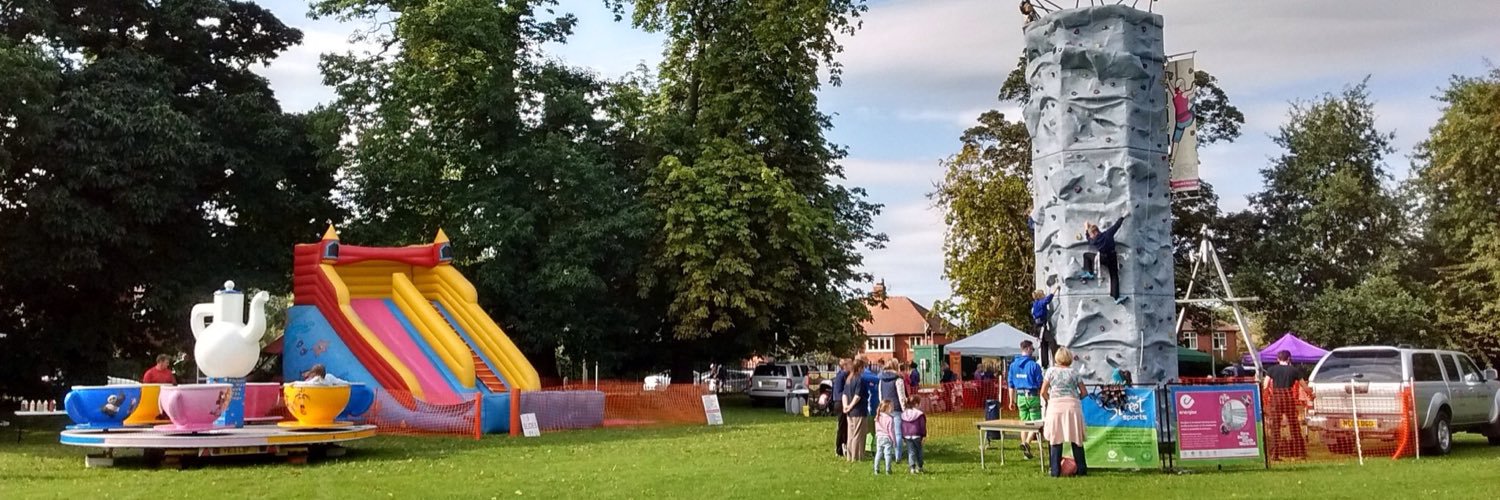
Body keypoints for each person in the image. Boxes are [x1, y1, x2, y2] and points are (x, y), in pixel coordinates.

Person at [1041, 347, 1089, 477]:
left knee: (1056, 439)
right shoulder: (1074, 373)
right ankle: (1081, 470)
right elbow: (1084, 392)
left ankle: (1055, 471)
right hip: (1073, 407)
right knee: (1076, 440)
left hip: (1056, 407)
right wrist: (1075, 398)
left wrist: (1050, 400)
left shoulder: (1050, 371)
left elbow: (1043, 391)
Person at [1262, 350, 1307, 460]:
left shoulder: (1271, 369)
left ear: (1278, 359)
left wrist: (1266, 399)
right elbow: (1304, 386)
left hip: (1276, 398)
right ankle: (1301, 453)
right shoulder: (1294, 370)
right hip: (1288, 397)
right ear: (1289, 359)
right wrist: (1311, 394)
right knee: (1294, 425)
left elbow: (1265, 385)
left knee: (1275, 427)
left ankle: (1274, 454)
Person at [1007, 340, 1044, 460]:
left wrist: (1011, 401)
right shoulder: (1034, 365)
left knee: (1024, 423)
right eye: (1032, 349)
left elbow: (1010, 385)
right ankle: (1027, 443)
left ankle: (1026, 454)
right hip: (1032, 396)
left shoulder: (1013, 365)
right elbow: (1040, 383)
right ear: (1027, 349)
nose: (1033, 352)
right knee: (1036, 423)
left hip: (1020, 397)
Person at [1084, 214, 1128, 303]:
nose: (1091, 236)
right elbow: (1117, 225)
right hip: (1112, 257)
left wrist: (1086, 228)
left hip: (1102, 258)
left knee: (1086, 255)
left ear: (1095, 233)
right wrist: (1123, 216)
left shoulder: (1094, 240)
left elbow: (1088, 239)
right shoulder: (1107, 234)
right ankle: (1115, 297)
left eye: (1091, 234)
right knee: (1114, 276)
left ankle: (1090, 272)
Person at [878, 359, 909, 458]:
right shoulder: (898, 379)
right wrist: (905, 410)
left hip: (885, 409)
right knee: (898, 433)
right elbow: (901, 396)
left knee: (887, 432)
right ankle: (898, 455)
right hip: (896, 408)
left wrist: (881, 406)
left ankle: (887, 453)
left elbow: (880, 395)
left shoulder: (881, 379)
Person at [841, 359, 869, 462]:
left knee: (851, 434)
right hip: (859, 410)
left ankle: (849, 456)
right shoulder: (860, 379)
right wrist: (851, 406)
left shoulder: (848, 379)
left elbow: (844, 394)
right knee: (858, 434)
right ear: (860, 368)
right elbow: (858, 396)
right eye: (863, 367)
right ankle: (857, 457)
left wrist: (845, 406)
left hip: (849, 412)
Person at [1031, 287, 1058, 367]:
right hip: (1040, 326)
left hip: (1038, 326)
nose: (1044, 295)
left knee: (1044, 344)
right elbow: (1047, 300)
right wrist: (1055, 290)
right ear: (1040, 296)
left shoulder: (1035, 303)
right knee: (1051, 341)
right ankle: (1057, 358)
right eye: (1043, 294)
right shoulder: (1039, 303)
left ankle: (1045, 364)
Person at [901, 394, 928, 474]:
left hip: (907, 435)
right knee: (919, 451)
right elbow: (922, 426)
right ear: (916, 404)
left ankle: (912, 467)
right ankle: (920, 466)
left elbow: (902, 426)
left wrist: (903, 436)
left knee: (911, 451)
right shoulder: (919, 414)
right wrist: (923, 435)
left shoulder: (904, 414)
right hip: (917, 435)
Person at [872, 400, 897, 474]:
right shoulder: (889, 419)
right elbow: (891, 431)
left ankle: (876, 469)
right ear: (887, 408)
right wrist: (894, 440)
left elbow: (876, 429)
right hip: (887, 438)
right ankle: (888, 469)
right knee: (888, 454)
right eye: (891, 407)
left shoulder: (877, 417)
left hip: (879, 437)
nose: (892, 409)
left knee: (878, 453)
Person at [832, 359, 850, 457]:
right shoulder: (843, 375)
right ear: (845, 366)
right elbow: (842, 391)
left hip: (838, 402)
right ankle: (839, 449)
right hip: (841, 402)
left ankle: (843, 446)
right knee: (842, 426)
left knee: (844, 426)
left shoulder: (840, 375)